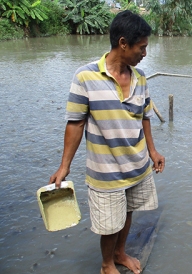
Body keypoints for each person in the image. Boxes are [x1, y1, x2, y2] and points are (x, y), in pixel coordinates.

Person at [49, 11, 165, 274]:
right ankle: (106, 264)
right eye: (142, 47)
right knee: (109, 222)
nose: (144, 53)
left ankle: (120, 253)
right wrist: (64, 166)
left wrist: (153, 151)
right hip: (105, 170)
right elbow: (76, 124)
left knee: (128, 212)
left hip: (136, 164)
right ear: (123, 43)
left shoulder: (141, 77)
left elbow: (144, 117)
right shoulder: (85, 77)